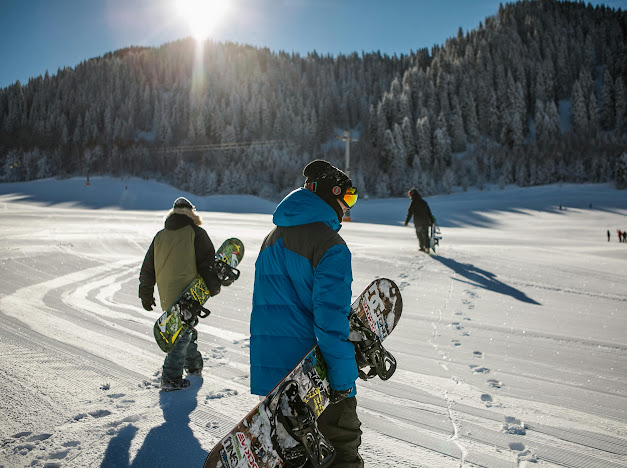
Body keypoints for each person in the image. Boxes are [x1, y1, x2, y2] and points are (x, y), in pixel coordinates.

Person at [250, 159, 362, 467]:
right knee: (341, 450)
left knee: (294, 458)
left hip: (274, 377)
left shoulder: (271, 238)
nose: (348, 207)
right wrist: (342, 381)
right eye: (348, 197)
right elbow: (330, 321)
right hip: (314, 377)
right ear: (331, 195)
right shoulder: (331, 245)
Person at [139, 197, 222, 391]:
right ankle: (170, 377)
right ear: (192, 214)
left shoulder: (160, 236)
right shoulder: (196, 233)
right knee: (181, 335)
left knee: (185, 329)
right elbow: (207, 265)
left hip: (167, 294)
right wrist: (214, 286)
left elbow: (147, 269)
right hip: (189, 294)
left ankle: (193, 366)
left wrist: (146, 294)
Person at [404, 188, 435, 253]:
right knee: (425, 235)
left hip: (418, 222)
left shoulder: (413, 203)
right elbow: (429, 212)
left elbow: (410, 213)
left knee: (419, 235)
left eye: (410, 195)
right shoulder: (424, 202)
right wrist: (432, 221)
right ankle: (427, 248)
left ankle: (422, 247)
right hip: (426, 221)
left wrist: (406, 222)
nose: (409, 196)